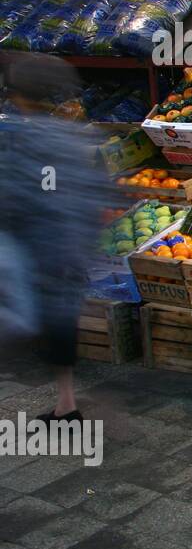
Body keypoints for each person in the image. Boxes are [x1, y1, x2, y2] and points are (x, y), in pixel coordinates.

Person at [0, 54, 115, 423]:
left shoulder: (19, 137)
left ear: (19, 95)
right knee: (60, 319)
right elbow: (96, 188)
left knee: (31, 319)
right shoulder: (75, 136)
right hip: (70, 246)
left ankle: (65, 404)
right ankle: (66, 404)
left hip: (36, 247)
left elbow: (12, 194)